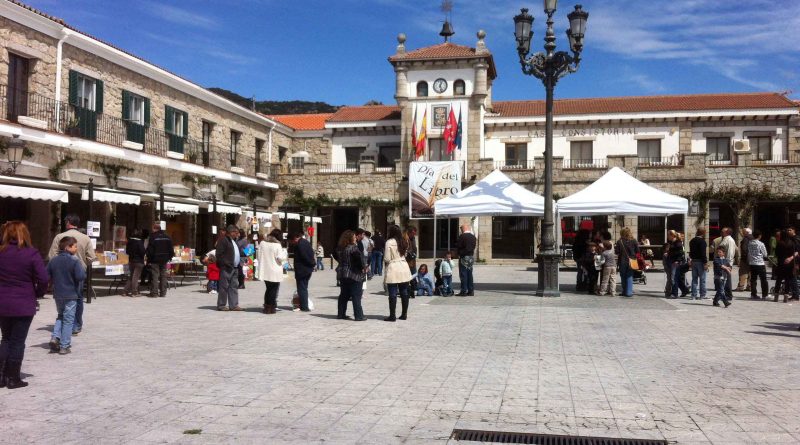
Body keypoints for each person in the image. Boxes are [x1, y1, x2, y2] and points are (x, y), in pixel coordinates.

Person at [0, 221, 48, 389]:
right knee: (18, 341)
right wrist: (38, 293)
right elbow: (44, 278)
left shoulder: (1, 252)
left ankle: (1, 376)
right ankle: (13, 377)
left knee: (5, 338)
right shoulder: (31, 253)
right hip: (23, 302)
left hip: (2, 302)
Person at [48, 214, 96, 336]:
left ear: (68, 222)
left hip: (61, 273)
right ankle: (76, 325)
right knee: (78, 298)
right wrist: (83, 264)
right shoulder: (85, 238)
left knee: (63, 298)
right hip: (78, 272)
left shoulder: (59, 237)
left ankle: (64, 323)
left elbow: (52, 256)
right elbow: (91, 257)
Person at [47, 237, 86, 355]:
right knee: (69, 320)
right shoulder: (74, 261)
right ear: (67, 247)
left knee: (60, 316)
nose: (76, 248)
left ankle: (55, 337)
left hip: (58, 294)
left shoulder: (53, 260)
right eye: (74, 246)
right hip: (70, 294)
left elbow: (46, 274)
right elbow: (80, 277)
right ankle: (65, 345)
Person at [335, 230, 367, 321]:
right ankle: (359, 315)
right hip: (354, 274)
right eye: (353, 236)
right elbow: (358, 261)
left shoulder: (340, 248)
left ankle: (341, 314)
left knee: (343, 295)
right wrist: (363, 267)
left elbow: (335, 255)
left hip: (342, 274)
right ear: (350, 238)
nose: (355, 238)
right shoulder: (353, 248)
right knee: (356, 295)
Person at [384, 225, 412, 321]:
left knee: (392, 293)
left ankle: (392, 315)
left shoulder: (389, 242)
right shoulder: (404, 241)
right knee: (404, 292)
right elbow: (406, 254)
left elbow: (387, 258)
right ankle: (404, 314)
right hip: (404, 266)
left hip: (393, 267)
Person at [256, 229, 287, 314]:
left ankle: (267, 306)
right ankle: (271, 307)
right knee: (273, 290)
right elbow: (280, 258)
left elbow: (258, 255)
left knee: (268, 289)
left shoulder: (262, 243)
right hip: (275, 270)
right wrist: (285, 254)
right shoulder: (277, 245)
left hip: (265, 269)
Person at [215, 225, 244, 311]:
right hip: (227, 267)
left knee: (233, 286)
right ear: (231, 232)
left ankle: (234, 305)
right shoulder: (223, 240)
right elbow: (219, 255)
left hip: (234, 267)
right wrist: (225, 264)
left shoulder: (233, 241)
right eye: (236, 232)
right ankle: (221, 305)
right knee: (224, 286)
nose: (237, 234)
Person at [289, 231, 316, 312]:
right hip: (307, 270)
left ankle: (304, 307)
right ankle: (304, 304)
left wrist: (311, 263)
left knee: (302, 288)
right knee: (304, 287)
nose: (291, 243)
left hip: (302, 270)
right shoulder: (306, 242)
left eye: (291, 241)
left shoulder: (299, 245)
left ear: (294, 238)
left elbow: (304, 256)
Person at [145, 223, 174, 298]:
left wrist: (149, 259)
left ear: (154, 229)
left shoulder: (153, 237)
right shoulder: (167, 237)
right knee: (163, 275)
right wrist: (169, 257)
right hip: (164, 259)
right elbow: (171, 249)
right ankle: (163, 293)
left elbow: (150, 250)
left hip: (155, 259)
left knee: (155, 275)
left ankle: (154, 293)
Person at [774, 230, 799, 303]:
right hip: (789, 264)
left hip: (781, 263)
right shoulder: (791, 243)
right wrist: (790, 258)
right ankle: (786, 297)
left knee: (778, 280)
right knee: (787, 280)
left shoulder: (779, 243)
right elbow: (794, 253)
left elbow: (776, 253)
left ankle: (776, 297)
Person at [712, 227, 737, 301]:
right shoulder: (729, 239)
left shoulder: (727, 239)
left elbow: (725, 250)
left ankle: (728, 295)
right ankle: (722, 295)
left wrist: (726, 263)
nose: (721, 233)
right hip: (726, 261)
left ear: (726, 233)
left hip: (725, 262)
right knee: (724, 279)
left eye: (723, 232)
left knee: (725, 279)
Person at [615, 227, 640, 298]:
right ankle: (629, 292)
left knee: (623, 276)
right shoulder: (634, 240)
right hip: (632, 261)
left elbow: (617, 252)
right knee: (629, 276)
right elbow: (638, 251)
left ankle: (624, 291)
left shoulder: (620, 241)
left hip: (622, 261)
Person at [666, 230, 689, 299]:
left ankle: (674, 293)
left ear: (672, 235)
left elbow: (681, 252)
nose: (667, 237)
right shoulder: (672, 242)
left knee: (674, 278)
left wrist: (678, 260)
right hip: (672, 261)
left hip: (675, 262)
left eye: (668, 235)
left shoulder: (678, 242)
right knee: (677, 278)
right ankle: (685, 290)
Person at [747, 230, 769, 300]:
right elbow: (765, 254)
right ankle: (764, 295)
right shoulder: (760, 244)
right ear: (759, 236)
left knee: (753, 279)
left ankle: (753, 294)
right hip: (760, 263)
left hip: (752, 263)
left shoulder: (749, 243)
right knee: (763, 280)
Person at [456, 224, 476, 296]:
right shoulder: (473, 237)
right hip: (471, 257)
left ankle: (463, 291)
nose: (460, 231)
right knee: (470, 274)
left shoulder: (462, 236)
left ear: (463, 229)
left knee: (463, 274)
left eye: (461, 229)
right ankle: (471, 290)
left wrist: (459, 253)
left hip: (464, 257)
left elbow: (459, 246)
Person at [124, 229, 146, 297]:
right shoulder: (139, 242)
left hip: (131, 261)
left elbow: (127, 252)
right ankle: (134, 292)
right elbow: (143, 252)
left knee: (131, 276)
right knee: (135, 277)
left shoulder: (129, 242)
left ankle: (125, 291)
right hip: (138, 261)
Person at [688, 228, 708, 300]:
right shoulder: (702, 241)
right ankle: (702, 295)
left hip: (694, 261)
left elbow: (690, 252)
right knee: (702, 279)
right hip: (700, 261)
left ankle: (693, 295)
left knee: (694, 279)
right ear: (703, 233)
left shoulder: (692, 241)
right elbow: (703, 253)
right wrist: (705, 263)